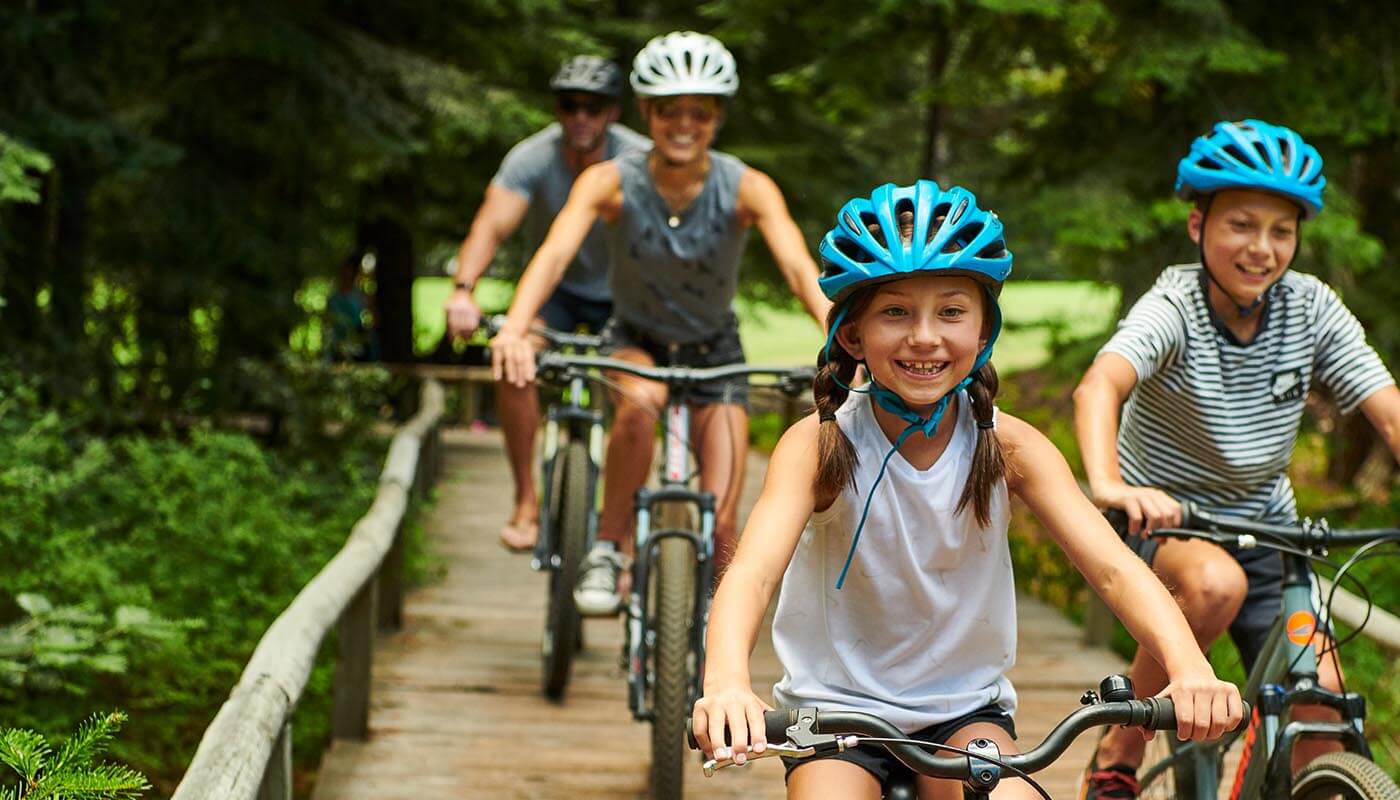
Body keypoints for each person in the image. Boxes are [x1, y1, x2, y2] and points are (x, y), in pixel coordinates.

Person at [691, 181, 1243, 800]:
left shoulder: (1009, 446)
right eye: (895, 312)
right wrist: (727, 682)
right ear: (852, 335)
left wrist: (1188, 663)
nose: (924, 337)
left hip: (964, 716)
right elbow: (755, 572)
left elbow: (1113, 569)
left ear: (984, 331)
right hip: (834, 715)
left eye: (951, 313)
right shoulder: (820, 444)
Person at [1072, 119, 1400, 797]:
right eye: (1241, 226)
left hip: (1270, 529)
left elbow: (1387, 407)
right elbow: (1100, 383)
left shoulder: (1312, 308)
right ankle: (1121, 745)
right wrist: (1109, 484)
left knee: (1323, 702)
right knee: (1214, 584)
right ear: (1198, 226)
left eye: (1281, 232)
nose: (1262, 248)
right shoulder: (1175, 304)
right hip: (1163, 524)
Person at [491, 31, 831, 615]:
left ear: (717, 117)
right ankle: (607, 545)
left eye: (699, 112)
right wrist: (516, 327)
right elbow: (553, 254)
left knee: (724, 519)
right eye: (669, 111)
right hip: (636, 339)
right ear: (647, 114)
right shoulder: (609, 182)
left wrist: (841, 335)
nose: (684, 124)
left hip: (715, 347)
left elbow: (801, 269)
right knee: (639, 400)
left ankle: (705, 653)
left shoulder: (747, 187)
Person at [445, 55, 649, 551]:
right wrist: (463, 289)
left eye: (594, 107)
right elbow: (490, 226)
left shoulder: (641, 160)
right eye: (570, 105)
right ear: (558, 110)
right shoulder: (532, 157)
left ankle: (619, 528)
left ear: (613, 113)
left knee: (641, 395)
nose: (582, 116)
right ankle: (526, 499)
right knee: (513, 359)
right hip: (553, 292)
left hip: (623, 295)